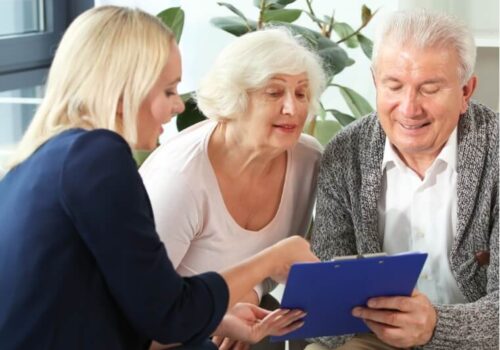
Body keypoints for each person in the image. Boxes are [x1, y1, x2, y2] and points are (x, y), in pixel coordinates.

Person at [0, 6, 319, 350]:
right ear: (124, 91)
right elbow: (168, 315)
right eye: (168, 91)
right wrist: (273, 258)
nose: (179, 106)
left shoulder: (42, 160)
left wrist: (218, 317)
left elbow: (142, 303)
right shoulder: (98, 155)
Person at [308, 10, 498, 350]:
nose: (409, 108)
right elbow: (327, 308)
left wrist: (436, 327)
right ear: (375, 81)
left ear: (466, 90)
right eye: (394, 86)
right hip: (374, 337)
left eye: (429, 89)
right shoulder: (344, 154)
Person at [139, 27, 325, 350]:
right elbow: (138, 320)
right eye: (274, 93)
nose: (292, 109)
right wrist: (212, 316)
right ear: (234, 98)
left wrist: (245, 296)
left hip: (233, 321)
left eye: (301, 93)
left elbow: (275, 268)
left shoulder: (308, 161)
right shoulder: (180, 179)